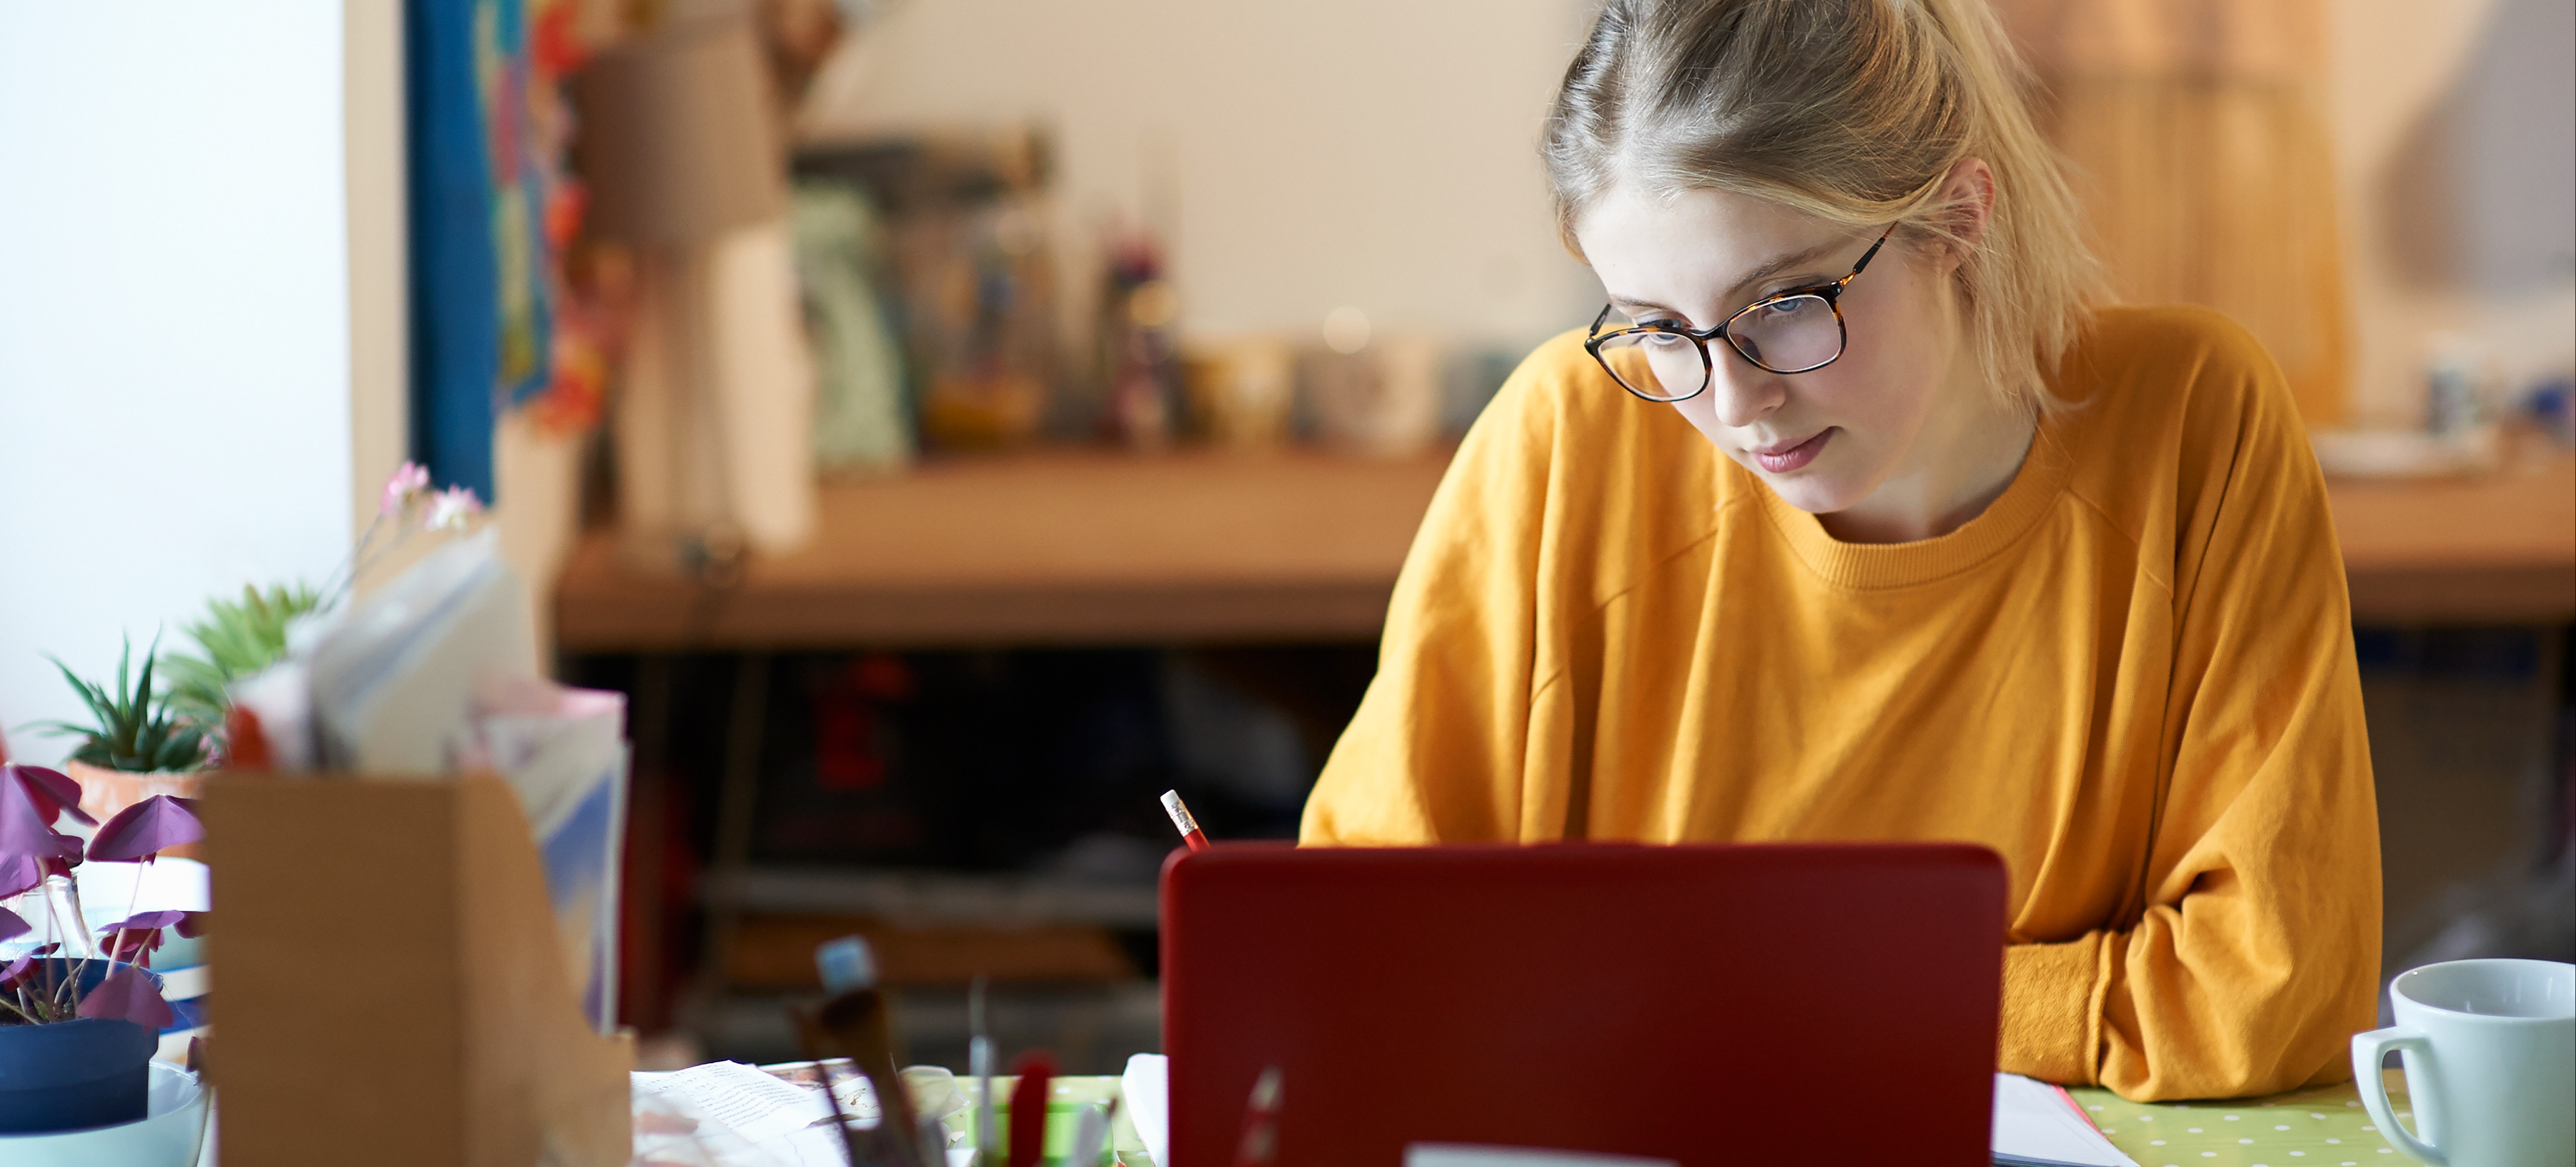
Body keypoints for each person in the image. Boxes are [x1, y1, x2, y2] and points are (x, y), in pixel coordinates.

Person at [1299, 0, 2378, 1102]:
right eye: (1661, 329)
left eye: (1785, 305)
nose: (1734, 404)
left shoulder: (2195, 421)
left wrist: (1751, 993)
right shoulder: (1568, 436)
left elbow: (2269, 992)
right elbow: (1364, 939)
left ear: (1958, 219)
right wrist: (2014, 996)